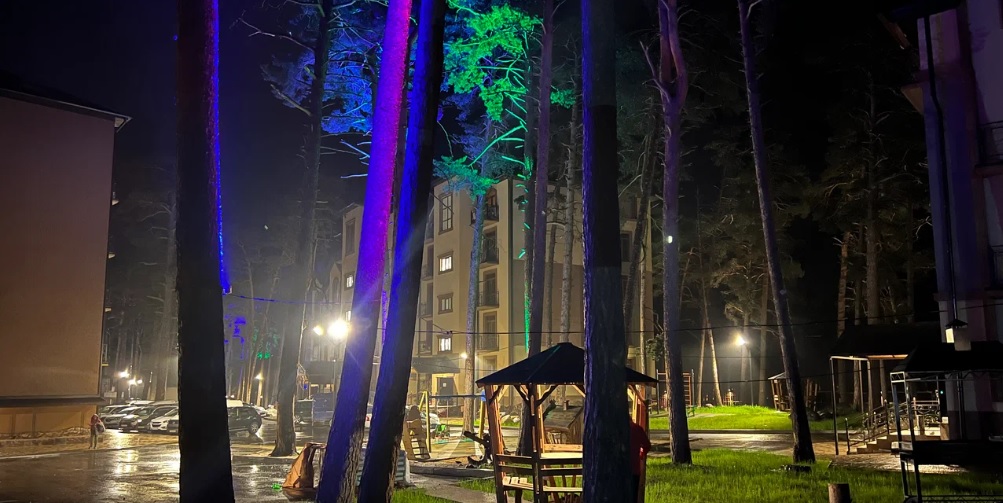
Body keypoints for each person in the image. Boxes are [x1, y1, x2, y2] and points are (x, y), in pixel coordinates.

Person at [629, 416, 651, 503]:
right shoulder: (637, 428)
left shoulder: (616, 430)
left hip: (619, 470)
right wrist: (641, 454)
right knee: (633, 496)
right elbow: (647, 445)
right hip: (634, 468)